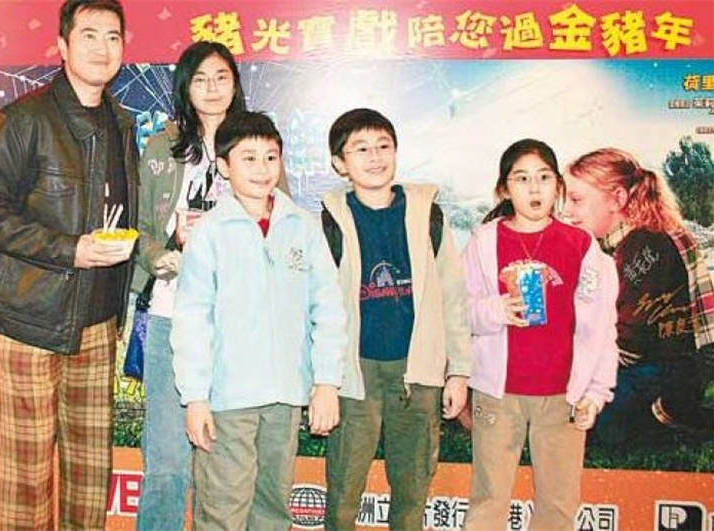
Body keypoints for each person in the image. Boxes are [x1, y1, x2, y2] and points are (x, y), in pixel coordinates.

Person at [0, 1, 137, 529]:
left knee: (91, 467)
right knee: (27, 473)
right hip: (31, 318)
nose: (102, 48)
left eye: (112, 36)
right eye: (88, 35)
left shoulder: (122, 122)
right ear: (62, 46)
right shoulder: (25, 119)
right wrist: (69, 249)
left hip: (97, 320)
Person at [170, 111, 347, 530]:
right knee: (223, 508)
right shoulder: (210, 232)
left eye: (270, 157)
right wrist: (195, 397)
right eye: (248, 158)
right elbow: (192, 319)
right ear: (224, 167)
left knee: (272, 506)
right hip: (227, 398)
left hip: (286, 396)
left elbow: (327, 308)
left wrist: (326, 383)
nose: (262, 168)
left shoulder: (302, 226)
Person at [319, 108, 472, 530]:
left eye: (383, 146)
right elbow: (319, 307)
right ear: (339, 163)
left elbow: (453, 297)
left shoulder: (428, 215)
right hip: (355, 373)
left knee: (413, 489)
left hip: (417, 370)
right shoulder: (329, 222)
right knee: (344, 488)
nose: (375, 157)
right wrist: (322, 380)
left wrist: (459, 371)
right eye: (361, 149)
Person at [461, 139, 618, 531]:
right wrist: (495, 311)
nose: (534, 188)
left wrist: (595, 393)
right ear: (504, 189)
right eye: (522, 178)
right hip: (498, 394)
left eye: (544, 178)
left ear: (558, 186)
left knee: (558, 505)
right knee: (489, 499)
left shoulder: (581, 245)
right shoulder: (484, 242)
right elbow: (458, 313)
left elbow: (602, 328)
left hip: (563, 396)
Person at [133, 40, 248, 531]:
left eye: (221, 77)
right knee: (165, 461)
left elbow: (281, 224)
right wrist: (164, 250)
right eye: (200, 79)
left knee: (224, 465)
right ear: (185, 87)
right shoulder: (161, 146)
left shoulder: (256, 143)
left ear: (235, 84)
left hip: (238, 322)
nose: (212, 88)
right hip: (171, 316)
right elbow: (138, 229)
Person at [563, 147, 714, 445]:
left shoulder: (646, 245)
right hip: (668, 365)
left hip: (666, 370)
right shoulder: (630, 239)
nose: (567, 211)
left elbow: (628, 341)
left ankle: (673, 415)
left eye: (576, 200)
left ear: (617, 199)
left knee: (583, 418)